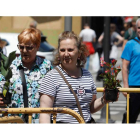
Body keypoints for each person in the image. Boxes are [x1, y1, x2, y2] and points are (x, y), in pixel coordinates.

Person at [38, 31, 119, 123]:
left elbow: (90, 108)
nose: (66, 54)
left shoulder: (87, 75)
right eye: (62, 50)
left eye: (70, 50)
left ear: (79, 53)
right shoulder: (51, 77)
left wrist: (104, 99)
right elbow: (45, 113)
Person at [0, 28, 52, 123]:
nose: (24, 51)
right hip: (15, 122)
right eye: (21, 47)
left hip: (39, 122)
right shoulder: (10, 66)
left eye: (29, 47)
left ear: (38, 46)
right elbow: (1, 87)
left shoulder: (46, 66)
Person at [121, 18, 140, 123]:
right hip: (134, 87)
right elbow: (124, 66)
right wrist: (126, 86)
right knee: (130, 118)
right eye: (139, 27)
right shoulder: (130, 44)